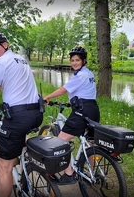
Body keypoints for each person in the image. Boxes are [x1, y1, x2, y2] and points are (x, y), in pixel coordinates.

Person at [0, 32, 43, 196]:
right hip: (36, 113)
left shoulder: (1, 62)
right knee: (18, 141)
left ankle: (12, 168)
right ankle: (24, 165)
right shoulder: (22, 59)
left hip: (18, 117)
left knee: (4, 168)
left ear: (5, 44)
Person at [43, 46, 100, 185]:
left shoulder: (81, 75)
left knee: (61, 140)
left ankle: (68, 174)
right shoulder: (89, 73)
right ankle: (93, 173)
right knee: (88, 143)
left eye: (77, 60)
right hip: (93, 109)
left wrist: (47, 97)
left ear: (84, 61)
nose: (74, 63)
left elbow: (63, 89)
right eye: (72, 60)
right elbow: (84, 92)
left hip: (82, 111)